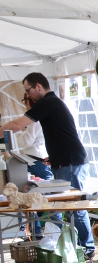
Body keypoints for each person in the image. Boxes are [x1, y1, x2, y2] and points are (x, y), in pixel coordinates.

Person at [1, 73, 95, 258]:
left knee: (74, 206)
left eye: (28, 90)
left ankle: (87, 248)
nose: (28, 95)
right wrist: (54, 156)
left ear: (38, 86)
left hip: (70, 162)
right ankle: (74, 247)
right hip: (65, 160)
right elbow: (62, 132)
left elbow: (18, 124)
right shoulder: (52, 103)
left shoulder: (47, 102)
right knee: (67, 207)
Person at [9, 90, 52, 237]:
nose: (24, 104)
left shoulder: (34, 120)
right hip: (37, 160)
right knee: (37, 200)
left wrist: (23, 129)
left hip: (36, 161)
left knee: (35, 199)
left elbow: (27, 140)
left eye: (25, 101)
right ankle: (36, 233)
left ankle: (38, 233)